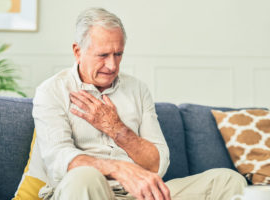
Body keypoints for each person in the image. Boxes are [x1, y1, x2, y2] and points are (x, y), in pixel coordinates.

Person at [33, 7, 247, 200]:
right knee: (84, 177)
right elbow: (59, 160)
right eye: (103, 55)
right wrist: (118, 169)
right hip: (82, 191)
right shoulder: (51, 91)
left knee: (229, 181)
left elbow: (158, 164)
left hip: (138, 195)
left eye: (118, 54)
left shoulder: (137, 89)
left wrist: (116, 129)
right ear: (78, 51)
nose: (112, 65)